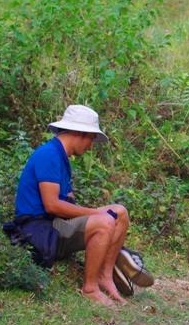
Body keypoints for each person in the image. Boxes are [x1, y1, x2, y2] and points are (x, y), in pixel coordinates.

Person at [13, 104, 131, 306]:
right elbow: (52, 206)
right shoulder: (48, 155)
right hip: (38, 231)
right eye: (91, 139)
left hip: (56, 224)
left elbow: (67, 204)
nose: (91, 146)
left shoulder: (62, 158)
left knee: (120, 212)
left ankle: (105, 276)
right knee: (104, 222)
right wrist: (97, 214)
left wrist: (100, 214)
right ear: (80, 133)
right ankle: (90, 288)